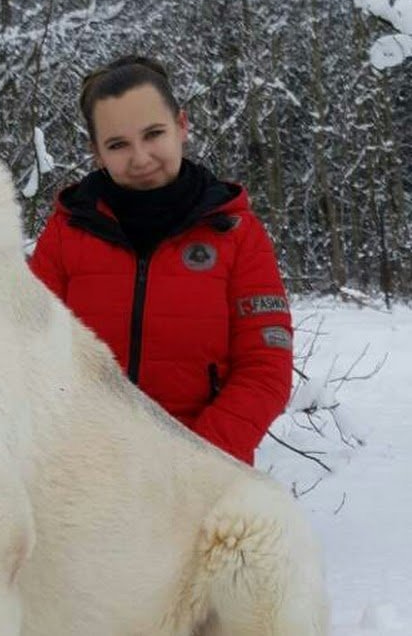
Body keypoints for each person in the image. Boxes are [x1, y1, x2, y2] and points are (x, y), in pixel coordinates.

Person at [29, 56, 293, 465]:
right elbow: (29, 350)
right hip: (84, 471)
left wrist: (194, 460)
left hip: (203, 472)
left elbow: (265, 368)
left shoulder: (236, 233)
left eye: (154, 134)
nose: (140, 158)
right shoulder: (67, 234)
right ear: (96, 151)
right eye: (117, 144)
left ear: (182, 125)